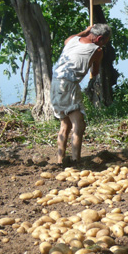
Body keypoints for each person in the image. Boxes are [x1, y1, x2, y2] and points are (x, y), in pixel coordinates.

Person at [51, 23, 111, 165]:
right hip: (68, 85)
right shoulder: (97, 50)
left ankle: (60, 161)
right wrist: (94, 62)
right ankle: (76, 160)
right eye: (105, 42)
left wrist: (86, 30)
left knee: (65, 124)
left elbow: (69, 39)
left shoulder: (72, 41)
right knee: (79, 124)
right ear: (100, 38)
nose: (104, 45)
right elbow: (94, 72)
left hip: (55, 83)